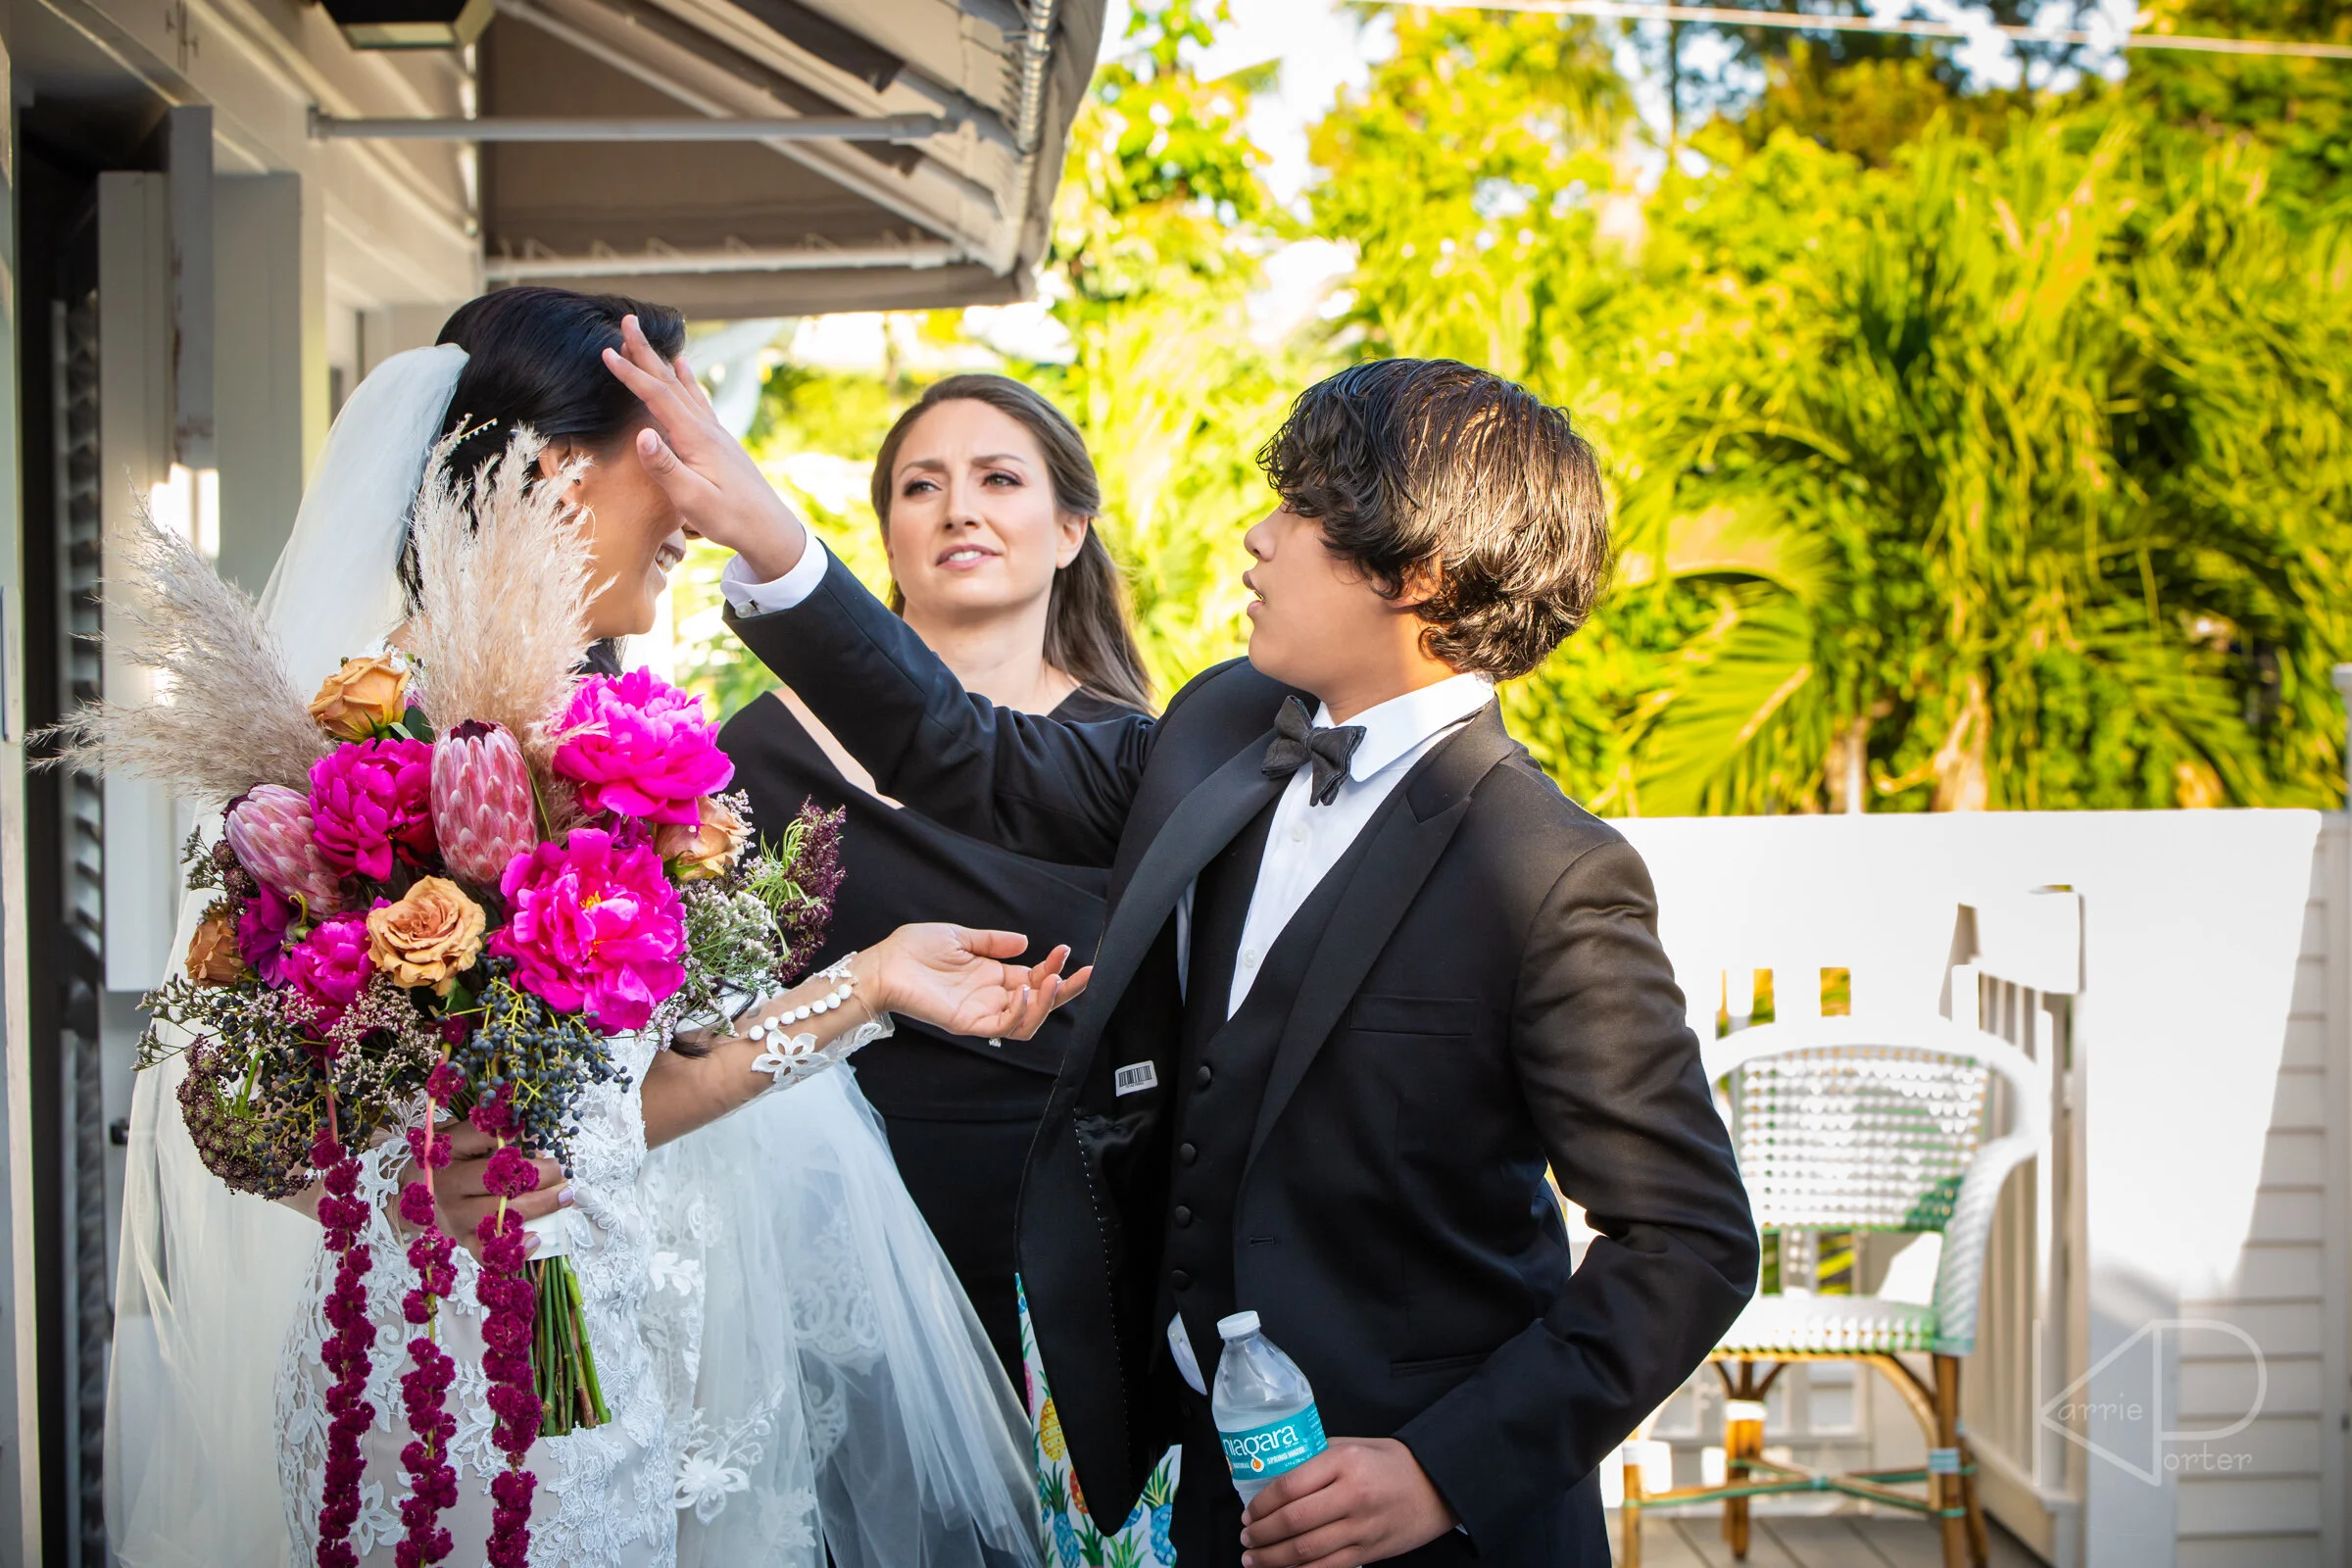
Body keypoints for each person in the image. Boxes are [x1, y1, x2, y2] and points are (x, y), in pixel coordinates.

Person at [609, 337, 1761, 1567]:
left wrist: (1442, 1468)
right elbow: (962, 751)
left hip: (1424, 1518)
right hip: (1216, 1484)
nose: (1256, 539)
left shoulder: (1550, 874)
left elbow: (1689, 1240)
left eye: (1301, 512)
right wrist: (773, 542)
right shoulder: (1220, 725)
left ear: (1414, 572)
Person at [104, 289, 1079, 1568]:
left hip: (594, 1360)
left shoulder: (613, 742)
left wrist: (875, 982)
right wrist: (392, 1184)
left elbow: (638, 1097)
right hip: (443, 1387)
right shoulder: (356, 742)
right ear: (564, 472)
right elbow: (225, 1091)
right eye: (667, 455)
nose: (695, 507)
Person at [717, 372, 1151, 1389]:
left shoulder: (1136, 763)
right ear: (889, 536)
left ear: (1070, 529)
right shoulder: (758, 754)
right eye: (922, 486)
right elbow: (696, 1015)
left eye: (1000, 479)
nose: (959, 507)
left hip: (1063, 1246)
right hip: (820, 1236)